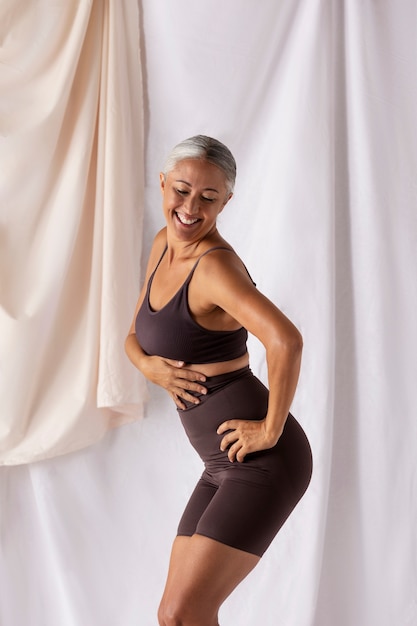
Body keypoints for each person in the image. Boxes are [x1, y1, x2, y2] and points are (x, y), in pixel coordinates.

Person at [125, 135, 312, 626]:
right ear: (162, 184)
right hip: (218, 462)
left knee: (187, 611)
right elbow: (134, 335)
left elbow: (285, 341)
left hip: (264, 462)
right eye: (181, 190)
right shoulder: (164, 245)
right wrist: (147, 366)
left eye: (208, 197)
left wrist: (269, 430)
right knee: (174, 615)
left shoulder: (215, 268)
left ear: (225, 202)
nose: (190, 208)